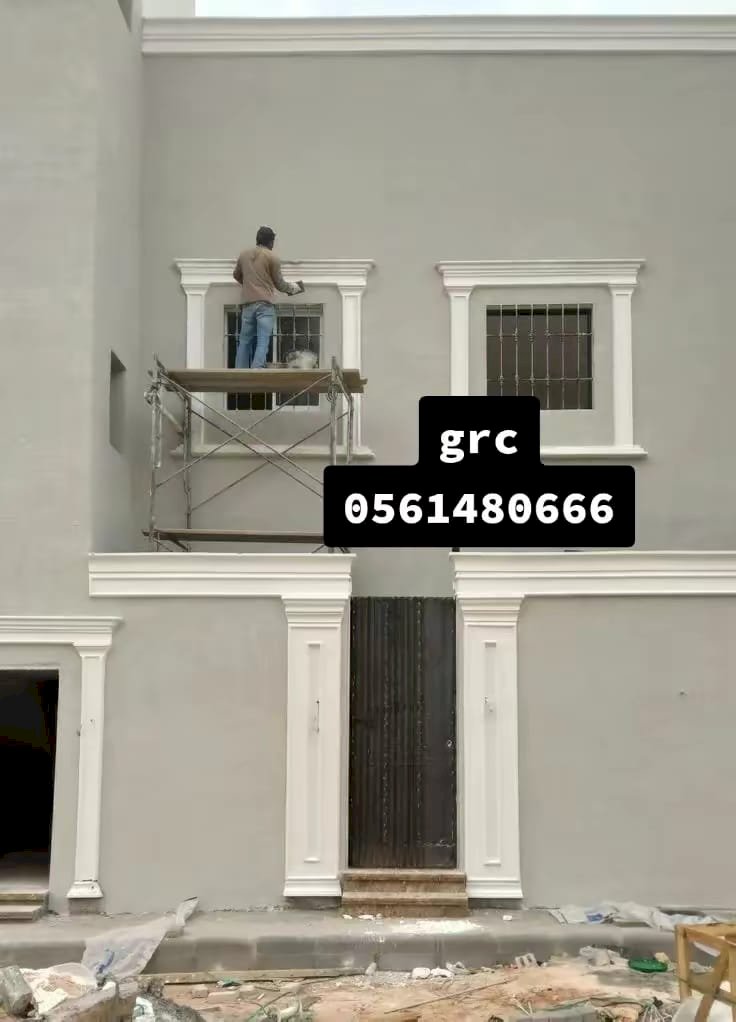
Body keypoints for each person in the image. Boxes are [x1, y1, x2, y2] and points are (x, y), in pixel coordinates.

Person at [233, 227, 304, 369]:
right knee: (263, 340)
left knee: (244, 341)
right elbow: (280, 284)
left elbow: (236, 275)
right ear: (270, 241)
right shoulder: (272, 258)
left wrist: (248, 284)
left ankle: (240, 371)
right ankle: (257, 369)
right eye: (273, 241)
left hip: (248, 304)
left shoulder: (244, 255)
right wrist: (295, 288)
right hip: (265, 306)